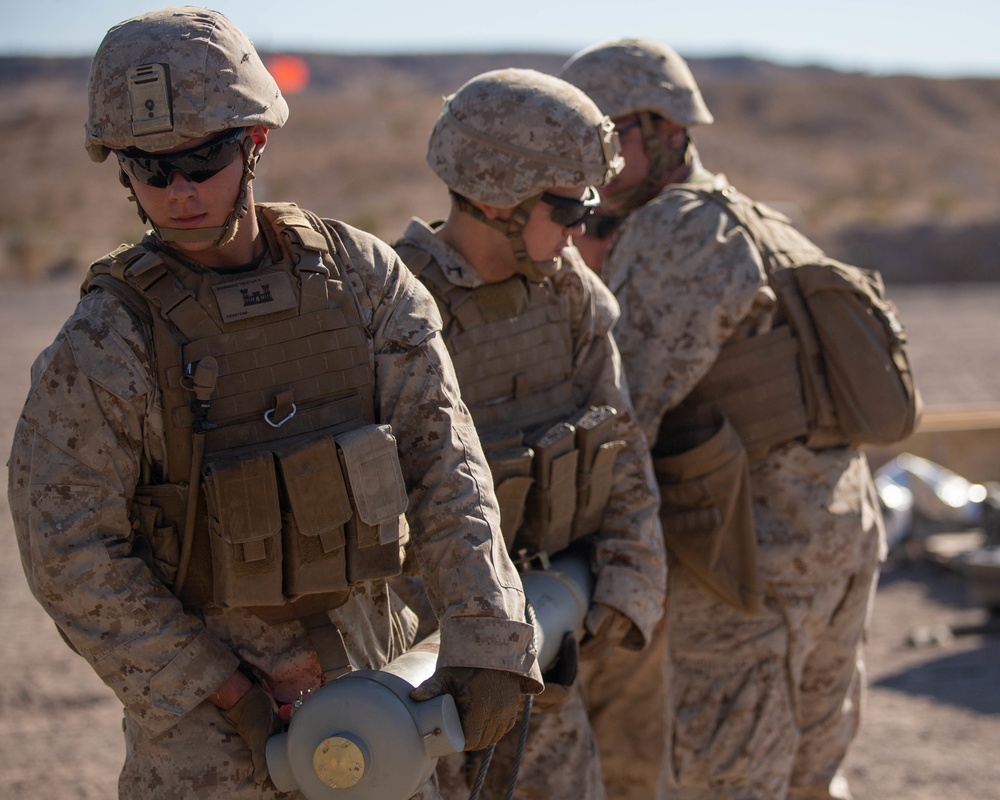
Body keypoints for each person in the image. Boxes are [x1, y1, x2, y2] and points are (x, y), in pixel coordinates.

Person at [6, 8, 543, 799]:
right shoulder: (110, 338)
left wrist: (490, 637)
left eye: (203, 158)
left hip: (375, 693)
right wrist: (222, 689)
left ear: (254, 143)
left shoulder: (363, 280)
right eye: (150, 169)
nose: (179, 191)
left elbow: (443, 463)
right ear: (121, 170)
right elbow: (67, 545)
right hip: (211, 740)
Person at [562, 38, 891, 800]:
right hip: (835, 538)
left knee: (727, 783)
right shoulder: (759, 219)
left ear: (667, 130)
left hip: (752, 565)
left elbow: (623, 414)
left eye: (607, 139)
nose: (589, 163)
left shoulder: (677, 232)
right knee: (810, 776)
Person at [391, 68, 667, 800]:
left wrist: (626, 593)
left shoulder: (570, 293)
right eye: (570, 206)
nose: (583, 227)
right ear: (495, 196)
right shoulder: (393, 309)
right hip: (429, 664)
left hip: (551, 635)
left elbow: (623, 444)